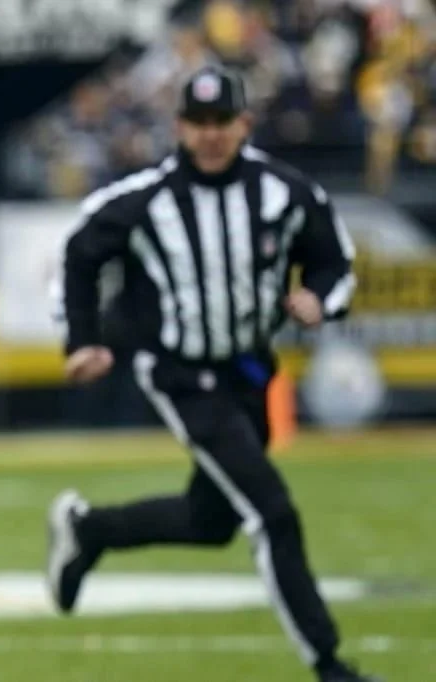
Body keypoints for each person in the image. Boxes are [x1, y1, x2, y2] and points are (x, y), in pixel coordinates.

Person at [45, 65, 378, 682]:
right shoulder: (146, 199)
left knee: (213, 519)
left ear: (244, 123)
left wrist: (319, 299)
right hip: (178, 372)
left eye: (221, 120)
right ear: (178, 126)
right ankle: (329, 664)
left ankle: (89, 530)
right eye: (198, 121)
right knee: (272, 513)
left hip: (248, 374)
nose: (210, 133)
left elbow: (336, 260)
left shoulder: (283, 192)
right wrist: (82, 338)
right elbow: (80, 251)